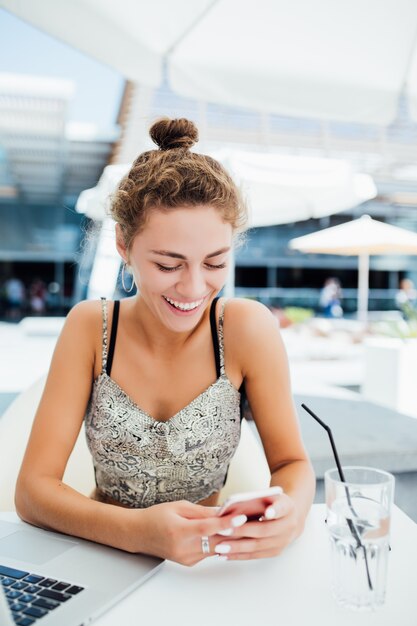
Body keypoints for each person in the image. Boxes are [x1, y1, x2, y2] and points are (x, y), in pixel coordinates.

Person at [15, 118, 315, 566]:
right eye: (168, 265)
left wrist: (290, 516)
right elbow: (32, 492)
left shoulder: (247, 330)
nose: (194, 288)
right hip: (101, 556)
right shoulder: (89, 328)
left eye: (214, 262)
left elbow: (293, 465)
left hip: (209, 568)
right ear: (123, 243)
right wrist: (139, 533)